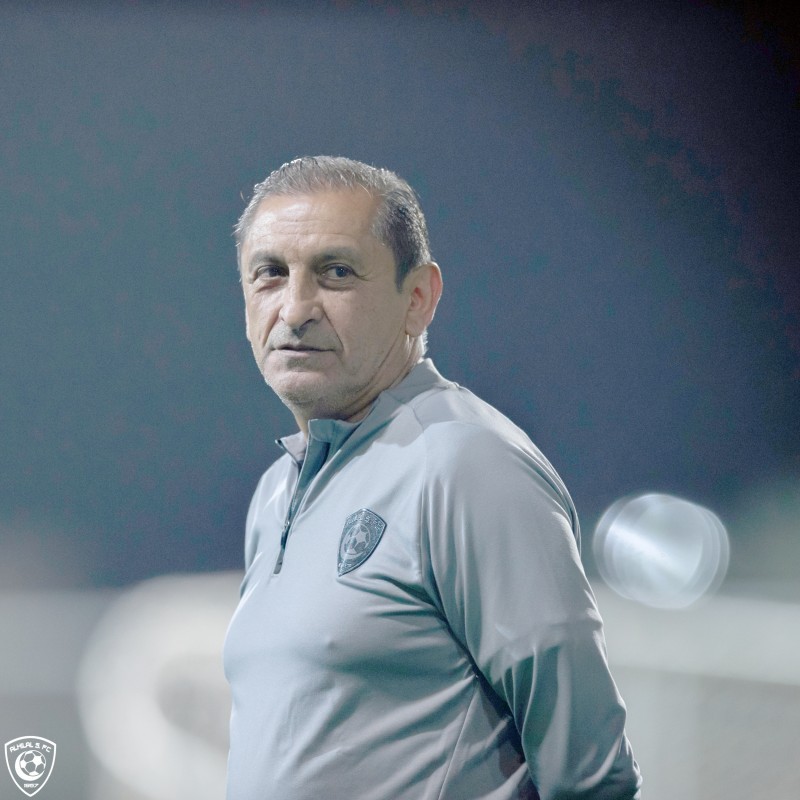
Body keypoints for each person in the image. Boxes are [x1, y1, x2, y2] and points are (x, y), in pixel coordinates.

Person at [223, 156, 642, 800]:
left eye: (337, 272)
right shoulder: (277, 489)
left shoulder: (468, 463)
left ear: (418, 298)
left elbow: (592, 781)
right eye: (270, 274)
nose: (296, 308)